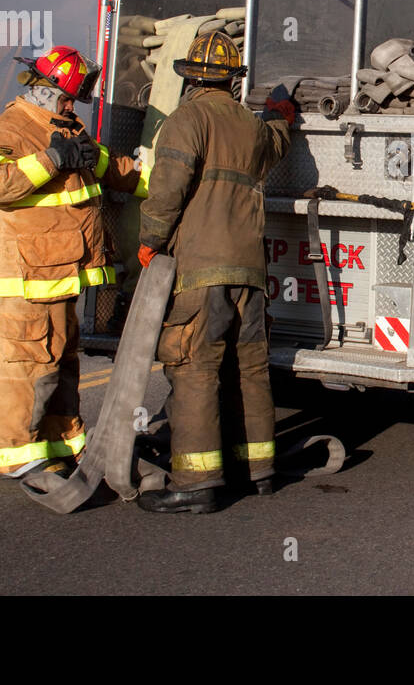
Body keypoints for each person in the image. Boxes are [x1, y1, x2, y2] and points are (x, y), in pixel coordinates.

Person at [136, 30, 295, 514]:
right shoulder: (250, 125)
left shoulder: (188, 119)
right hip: (249, 270)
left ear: (190, 78)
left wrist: (149, 242)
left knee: (194, 368)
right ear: (232, 80)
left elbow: (167, 189)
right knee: (249, 368)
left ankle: (197, 484)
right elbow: (276, 144)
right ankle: (259, 470)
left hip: (201, 269)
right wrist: (281, 115)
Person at [0, 46, 145, 481]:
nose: (72, 107)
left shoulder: (67, 130)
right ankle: (20, 456)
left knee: (58, 363)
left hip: (57, 277)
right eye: (67, 99)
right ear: (45, 92)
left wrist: (166, 178)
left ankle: (62, 444)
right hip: (25, 280)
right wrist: (53, 160)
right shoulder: (8, 130)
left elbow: (113, 169)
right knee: (25, 368)